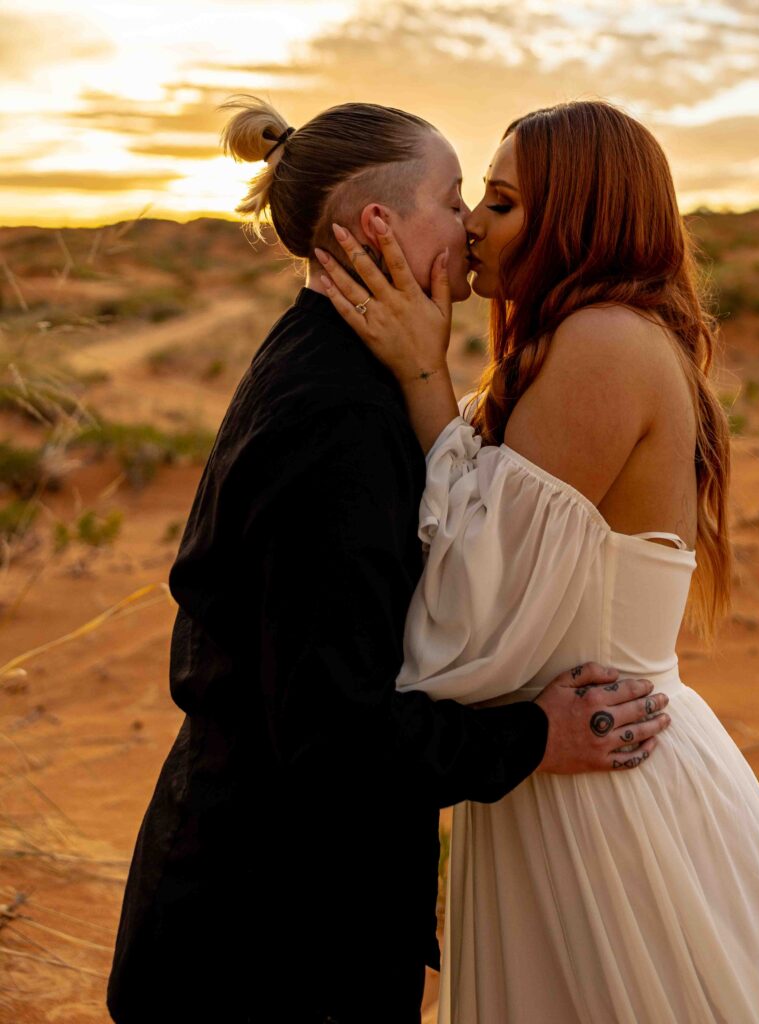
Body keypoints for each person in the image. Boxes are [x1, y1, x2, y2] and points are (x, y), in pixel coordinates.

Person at [105, 96, 673, 1024]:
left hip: (278, 916)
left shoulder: (342, 368)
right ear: (380, 223)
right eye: (456, 199)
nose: (471, 224)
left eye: (490, 202)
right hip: (268, 946)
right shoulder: (338, 412)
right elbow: (334, 736)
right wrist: (536, 736)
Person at [318, 100, 759, 1023]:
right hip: (567, 768)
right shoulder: (580, 340)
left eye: (505, 202)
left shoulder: (600, 345)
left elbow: (468, 615)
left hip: (603, 787)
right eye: (480, 195)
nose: (475, 221)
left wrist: (421, 376)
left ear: (580, 220)